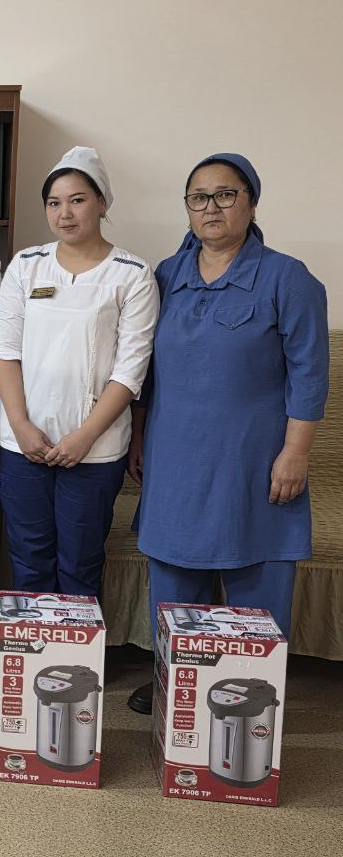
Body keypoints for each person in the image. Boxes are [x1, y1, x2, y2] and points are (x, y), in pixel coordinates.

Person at [126, 153, 328, 715]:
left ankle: (252, 694)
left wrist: (296, 452)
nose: (211, 207)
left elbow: (310, 372)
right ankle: (176, 686)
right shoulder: (167, 275)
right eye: (199, 197)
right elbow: (144, 368)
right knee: (173, 577)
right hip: (175, 459)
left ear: (251, 202)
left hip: (254, 461)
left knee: (256, 577)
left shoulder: (287, 277)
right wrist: (138, 436)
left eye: (225, 194)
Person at [0, 147, 158, 599]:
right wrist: (20, 425)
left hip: (95, 447)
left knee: (80, 563)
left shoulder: (132, 274)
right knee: (29, 559)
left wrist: (85, 437)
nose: (64, 213)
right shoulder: (26, 265)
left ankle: (77, 646)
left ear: (102, 202)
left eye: (77, 200)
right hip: (23, 443)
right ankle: (33, 645)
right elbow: (4, 352)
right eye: (54, 203)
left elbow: (130, 370)